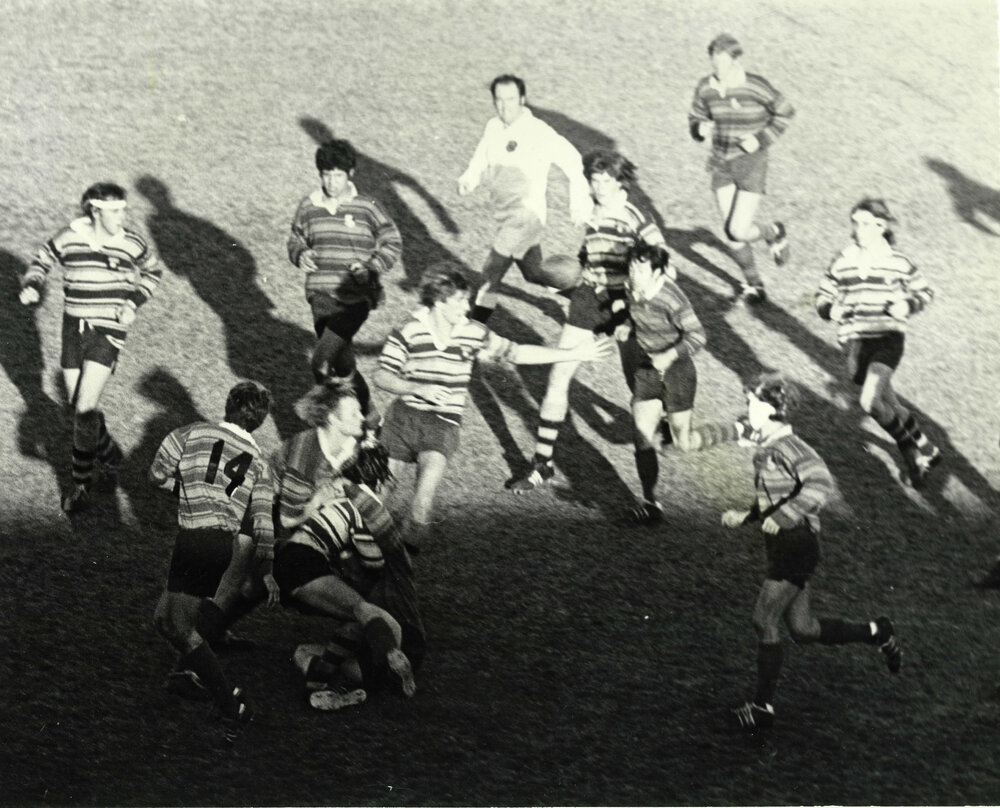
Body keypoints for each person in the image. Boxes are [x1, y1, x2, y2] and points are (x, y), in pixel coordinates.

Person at [373, 264, 613, 550]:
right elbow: (381, 375)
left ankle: (399, 562)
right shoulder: (408, 329)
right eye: (461, 300)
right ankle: (354, 545)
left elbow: (518, 352)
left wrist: (574, 353)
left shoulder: (473, 332)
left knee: (422, 504)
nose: (467, 307)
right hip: (403, 419)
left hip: (442, 423)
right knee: (378, 492)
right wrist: (417, 388)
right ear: (439, 302)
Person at [721, 373, 902, 734]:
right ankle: (877, 632)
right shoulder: (770, 445)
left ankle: (762, 707)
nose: (748, 409)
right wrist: (750, 514)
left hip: (796, 546)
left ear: (774, 410)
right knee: (803, 630)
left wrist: (784, 517)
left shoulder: (793, 448)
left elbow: (821, 484)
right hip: (787, 545)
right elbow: (778, 494)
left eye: (753, 404)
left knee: (764, 619)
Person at [509, 150, 665, 494]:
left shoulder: (636, 218)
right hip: (589, 299)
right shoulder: (592, 210)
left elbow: (664, 261)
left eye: (606, 180)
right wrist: (569, 278)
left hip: (625, 306)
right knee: (558, 375)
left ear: (620, 180)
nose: (599, 187)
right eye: (594, 180)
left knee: (637, 387)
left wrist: (644, 295)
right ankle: (542, 465)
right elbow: (589, 255)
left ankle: (652, 486)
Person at [271, 381, 424, 704]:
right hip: (410, 636)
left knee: (359, 613)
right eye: (352, 412)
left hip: (297, 561)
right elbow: (373, 561)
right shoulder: (370, 509)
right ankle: (366, 670)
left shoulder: (345, 496)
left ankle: (325, 683)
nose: (361, 418)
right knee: (361, 613)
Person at [19, 182, 162, 513]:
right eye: (115, 210)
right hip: (73, 329)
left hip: (107, 330)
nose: (122, 216)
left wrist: (132, 303)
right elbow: (42, 259)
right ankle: (111, 457)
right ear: (95, 210)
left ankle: (81, 485)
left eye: (124, 209)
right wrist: (32, 283)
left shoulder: (130, 243)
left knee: (84, 408)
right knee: (76, 408)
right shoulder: (70, 236)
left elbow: (153, 272)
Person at [149, 381, 275, 744]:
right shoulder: (261, 464)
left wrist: (186, 490)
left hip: (197, 540)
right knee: (164, 620)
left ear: (228, 404)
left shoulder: (190, 433)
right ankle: (196, 683)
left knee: (180, 627)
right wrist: (266, 570)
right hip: (216, 543)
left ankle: (232, 704)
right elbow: (263, 521)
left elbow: (155, 475)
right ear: (260, 422)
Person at [815, 198, 940, 487]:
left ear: (882, 226)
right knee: (890, 402)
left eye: (866, 223)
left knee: (870, 400)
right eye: (855, 222)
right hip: (854, 342)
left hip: (887, 338)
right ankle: (924, 453)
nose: (858, 228)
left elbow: (925, 291)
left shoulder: (897, 262)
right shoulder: (843, 259)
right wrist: (828, 309)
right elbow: (823, 293)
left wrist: (908, 304)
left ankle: (912, 456)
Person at [619, 241, 744, 524]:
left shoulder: (672, 297)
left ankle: (738, 429)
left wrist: (669, 355)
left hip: (677, 371)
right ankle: (650, 503)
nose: (634, 272)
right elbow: (635, 313)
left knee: (683, 443)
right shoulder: (631, 288)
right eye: (632, 266)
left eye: (641, 268)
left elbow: (698, 337)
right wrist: (627, 326)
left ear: (658, 271)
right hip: (647, 370)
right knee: (641, 436)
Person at [458, 74, 591, 323]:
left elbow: (573, 161)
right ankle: (588, 301)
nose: (504, 106)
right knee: (534, 273)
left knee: (491, 271)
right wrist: (470, 177)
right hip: (506, 213)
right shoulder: (494, 126)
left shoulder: (537, 131)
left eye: (510, 99)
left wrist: (579, 203)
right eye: (499, 100)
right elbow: (482, 155)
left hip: (525, 216)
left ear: (522, 99)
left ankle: (473, 332)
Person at [287, 138, 402, 420]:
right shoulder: (309, 207)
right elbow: (295, 239)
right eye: (326, 174)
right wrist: (300, 254)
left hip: (355, 298)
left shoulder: (366, 206)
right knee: (343, 365)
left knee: (321, 361)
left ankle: (327, 421)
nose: (332, 181)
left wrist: (372, 267)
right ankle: (370, 420)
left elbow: (392, 241)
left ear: (350, 173)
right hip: (320, 297)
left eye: (338, 174)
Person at [688, 33, 794, 303]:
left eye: (724, 61)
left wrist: (759, 140)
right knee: (732, 233)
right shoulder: (706, 88)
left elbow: (785, 112)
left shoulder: (755, 86)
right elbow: (696, 116)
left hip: (751, 164)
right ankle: (754, 284)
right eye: (714, 60)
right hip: (721, 163)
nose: (718, 66)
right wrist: (699, 129)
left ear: (736, 59)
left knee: (738, 229)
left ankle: (772, 232)